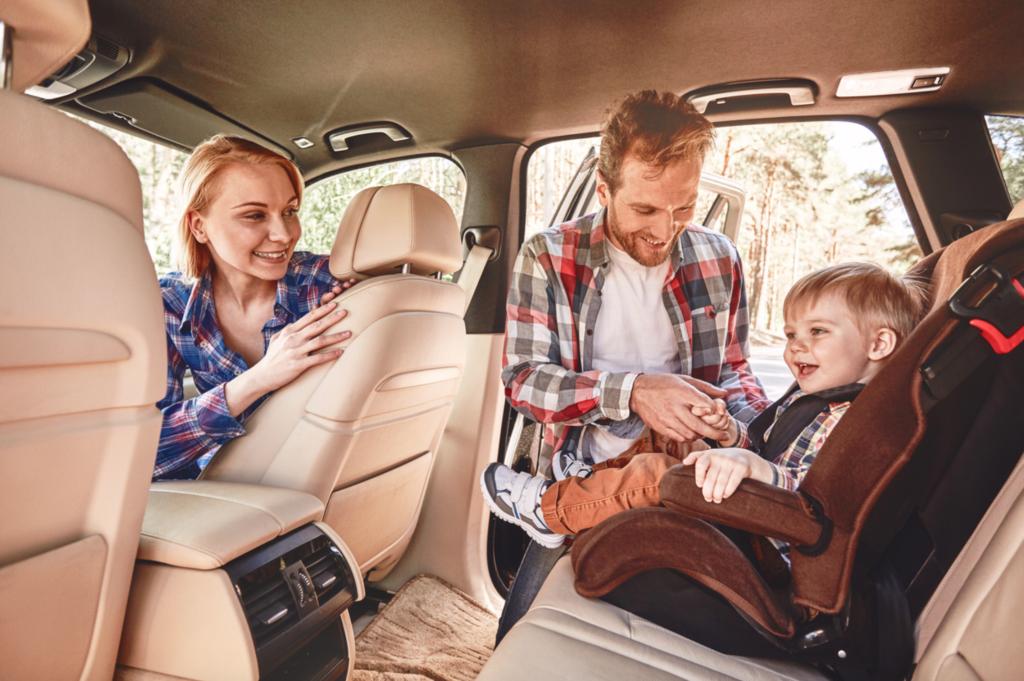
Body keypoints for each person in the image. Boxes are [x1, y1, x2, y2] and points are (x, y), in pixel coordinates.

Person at [494, 90, 770, 642]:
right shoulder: (548, 257)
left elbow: (736, 370)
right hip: (584, 479)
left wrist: (740, 428)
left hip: (689, 479)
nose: (666, 230)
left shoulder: (720, 257)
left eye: (684, 207)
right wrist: (635, 392)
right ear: (604, 189)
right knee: (521, 634)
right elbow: (521, 379)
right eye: (645, 209)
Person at [483, 262, 926, 556]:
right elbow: (771, 444)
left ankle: (551, 511)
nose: (796, 348)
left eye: (817, 331)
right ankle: (592, 486)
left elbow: (815, 500)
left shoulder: (856, 423)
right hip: (758, 510)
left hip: (769, 541)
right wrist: (730, 434)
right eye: (791, 335)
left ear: (879, 343)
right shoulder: (818, 397)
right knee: (680, 430)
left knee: (662, 472)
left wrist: (751, 467)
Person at [155, 135, 355, 480]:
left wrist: (360, 300)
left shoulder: (328, 286)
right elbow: (145, 450)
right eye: (254, 215)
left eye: (290, 212)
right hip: (223, 491)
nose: (284, 234)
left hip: (313, 486)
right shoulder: (170, 303)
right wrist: (257, 381)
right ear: (198, 226)